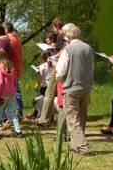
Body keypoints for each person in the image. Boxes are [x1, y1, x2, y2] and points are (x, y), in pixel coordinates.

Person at [56, 24, 94, 155]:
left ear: (67, 36)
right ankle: (75, 145)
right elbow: (91, 67)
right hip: (86, 86)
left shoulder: (68, 49)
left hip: (71, 86)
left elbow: (61, 70)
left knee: (73, 119)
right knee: (82, 117)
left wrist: (59, 79)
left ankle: (83, 147)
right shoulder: (88, 48)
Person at [0, 49, 22, 139]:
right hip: (12, 93)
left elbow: (0, 83)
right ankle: (18, 131)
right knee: (12, 112)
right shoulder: (11, 67)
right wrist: (14, 89)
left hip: (2, 93)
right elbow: (15, 81)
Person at [37, 18, 66, 126]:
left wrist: (52, 56)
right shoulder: (68, 36)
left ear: (56, 26)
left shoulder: (60, 37)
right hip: (66, 68)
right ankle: (50, 118)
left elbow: (61, 52)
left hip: (57, 67)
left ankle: (44, 118)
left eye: (54, 27)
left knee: (49, 94)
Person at [4, 22, 24, 119]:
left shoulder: (11, 39)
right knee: (16, 90)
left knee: (15, 91)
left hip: (13, 67)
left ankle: (18, 113)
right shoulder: (16, 38)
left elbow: (10, 55)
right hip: (17, 66)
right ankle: (19, 112)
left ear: (6, 29)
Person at [28, 49, 54, 120]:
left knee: (39, 101)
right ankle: (50, 116)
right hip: (52, 85)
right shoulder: (54, 64)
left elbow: (41, 77)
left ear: (42, 58)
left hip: (44, 85)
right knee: (51, 101)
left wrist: (38, 84)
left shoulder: (42, 65)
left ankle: (41, 116)